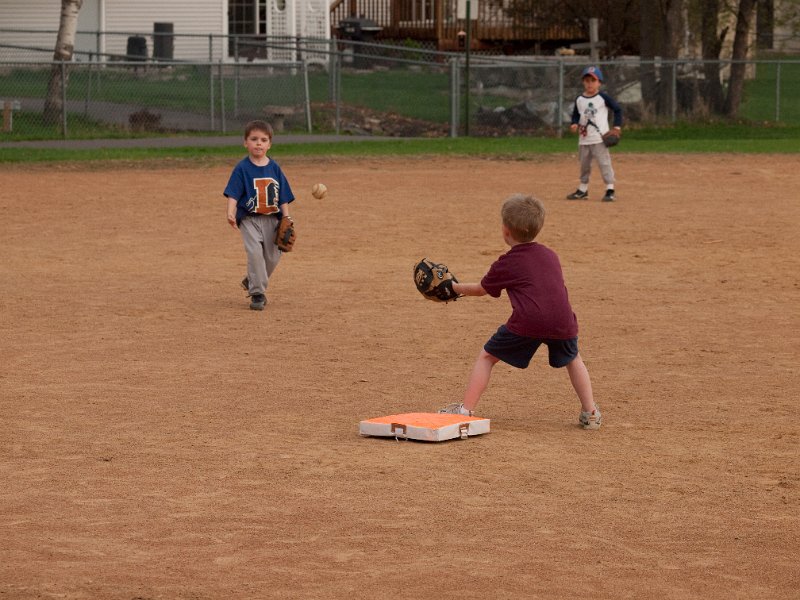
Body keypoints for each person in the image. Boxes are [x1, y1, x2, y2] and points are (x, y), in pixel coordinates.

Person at [438, 194, 601, 429]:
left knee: (487, 356)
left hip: (529, 321)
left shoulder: (507, 262)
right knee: (573, 358)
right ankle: (591, 412)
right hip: (562, 321)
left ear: (505, 231)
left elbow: (482, 289)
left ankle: (465, 412)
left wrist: (452, 288)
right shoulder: (550, 255)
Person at [223, 120, 295, 311]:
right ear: (245, 142)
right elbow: (233, 193)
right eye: (253, 139)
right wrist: (230, 212)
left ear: (269, 144)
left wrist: (286, 218)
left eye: (263, 140)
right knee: (255, 253)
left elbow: (283, 197)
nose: (258, 143)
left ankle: (252, 278)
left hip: (272, 219)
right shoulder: (242, 168)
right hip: (249, 219)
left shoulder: (275, 168)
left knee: (272, 258)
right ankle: (257, 293)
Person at [566, 65, 623, 202]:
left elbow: (618, 110)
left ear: (599, 83)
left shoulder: (602, 97)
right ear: (583, 82)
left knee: (604, 164)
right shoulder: (579, 99)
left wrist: (616, 127)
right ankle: (583, 190)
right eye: (587, 80)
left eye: (593, 80)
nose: (590, 83)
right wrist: (574, 123)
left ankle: (610, 189)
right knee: (584, 165)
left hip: (600, 139)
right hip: (584, 138)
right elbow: (576, 114)